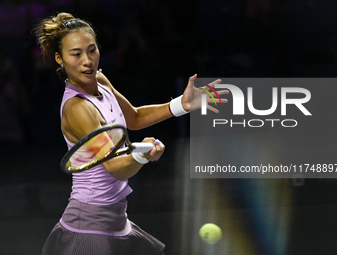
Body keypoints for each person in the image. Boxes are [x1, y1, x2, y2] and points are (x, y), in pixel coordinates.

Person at [34, 12, 226, 255]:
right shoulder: (78, 108)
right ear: (59, 58)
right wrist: (143, 155)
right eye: (76, 54)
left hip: (116, 221)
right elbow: (115, 167)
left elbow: (133, 117)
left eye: (92, 50)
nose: (87, 61)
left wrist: (181, 105)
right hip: (89, 229)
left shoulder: (101, 81)